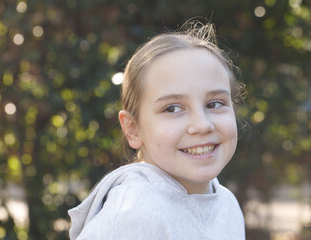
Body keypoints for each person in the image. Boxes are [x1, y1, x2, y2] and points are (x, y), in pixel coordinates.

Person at [68, 21, 246, 240]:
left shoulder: (227, 204)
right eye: (172, 108)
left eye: (214, 104)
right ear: (132, 129)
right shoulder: (135, 215)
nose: (202, 125)